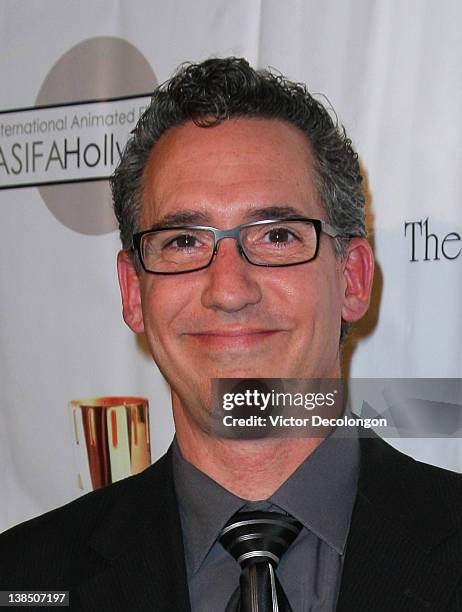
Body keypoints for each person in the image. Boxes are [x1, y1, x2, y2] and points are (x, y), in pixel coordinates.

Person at [1, 57, 461, 612]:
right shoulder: (24, 577)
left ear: (352, 279)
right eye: (183, 242)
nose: (229, 288)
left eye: (277, 235)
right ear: (132, 292)